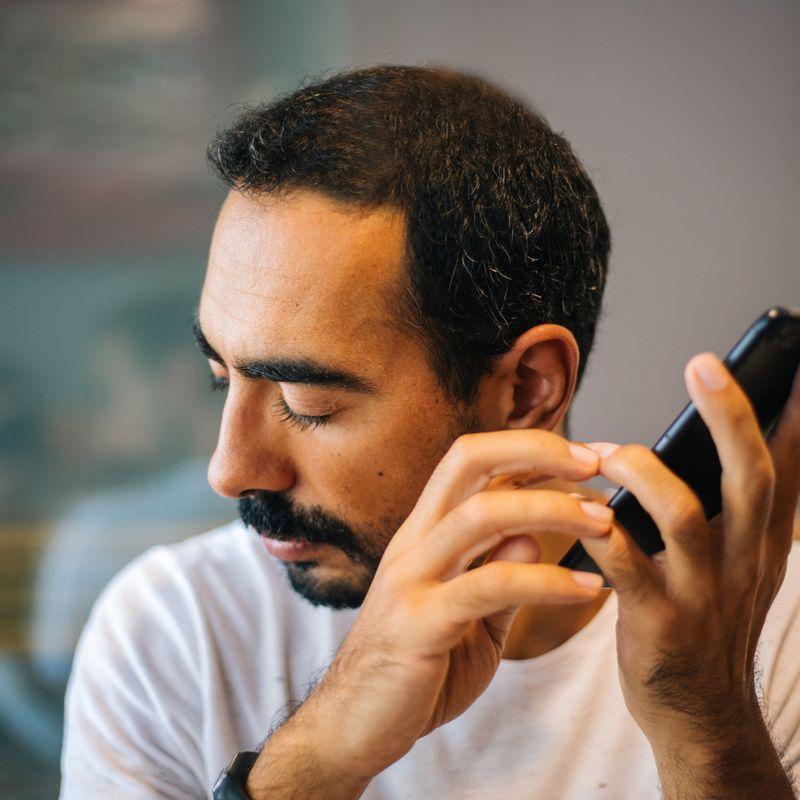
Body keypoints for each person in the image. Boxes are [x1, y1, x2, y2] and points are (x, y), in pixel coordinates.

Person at [60, 66, 800, 799]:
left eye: (308, 401)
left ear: (526, 389)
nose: (229, 469)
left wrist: (707, 723)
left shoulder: (775, 636)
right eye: (222, 378)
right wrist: (316, 760)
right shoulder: (175, 630)